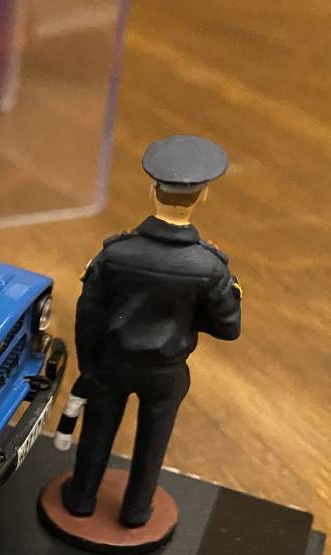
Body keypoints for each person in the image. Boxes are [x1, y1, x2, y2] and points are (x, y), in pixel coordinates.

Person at [63, 135, 242, 526]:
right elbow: (228, 328)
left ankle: (80, 499)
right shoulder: (210, 266)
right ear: (203, 195)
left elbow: (87, 316)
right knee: (153, 443)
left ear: (152, 190)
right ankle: (135, 511)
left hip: (112, 364)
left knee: (97, 433)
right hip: (165, 371)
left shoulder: (115, 253)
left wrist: (89, 369)